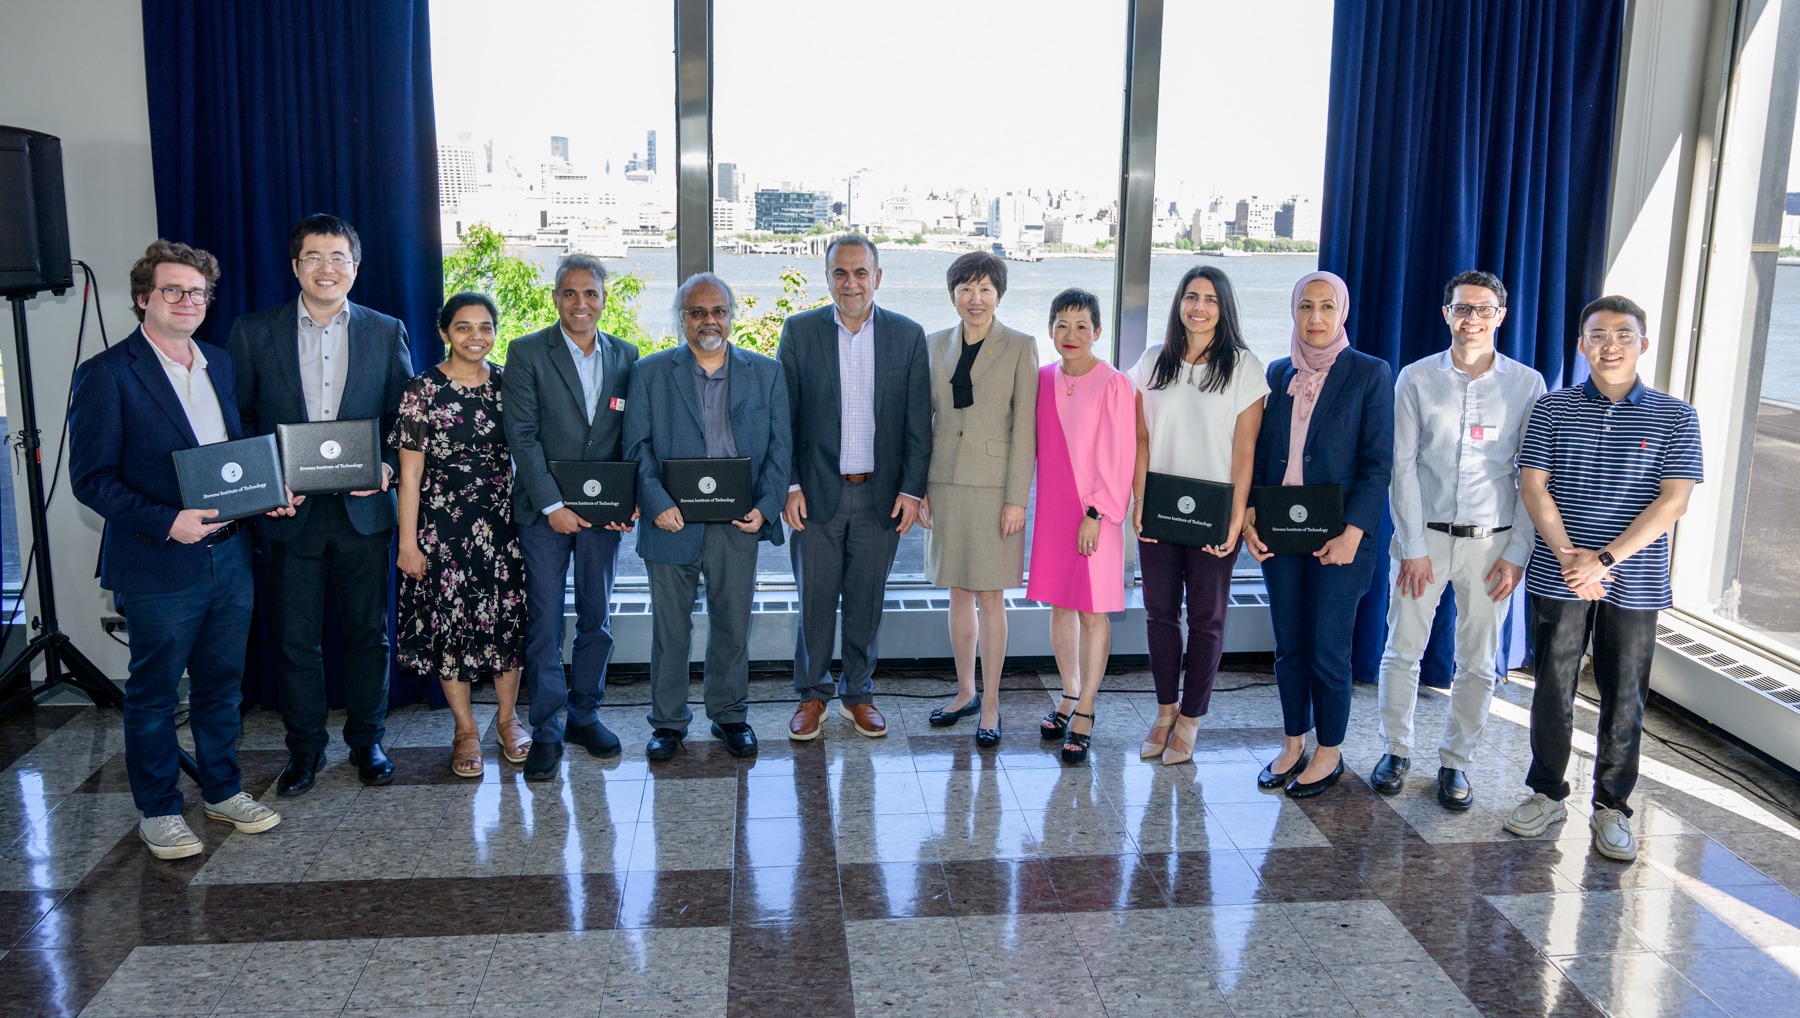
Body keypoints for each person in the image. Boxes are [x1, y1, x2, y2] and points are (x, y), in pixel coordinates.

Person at [69, 239, 290, 858]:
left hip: (230, 556)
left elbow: (232, 460)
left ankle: (222, 791)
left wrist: (264, 494)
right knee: (156, 693)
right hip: (159, 560)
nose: (187, 301)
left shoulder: (218, 362)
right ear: (144, 298)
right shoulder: (107, 375)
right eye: (173, 290)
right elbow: (90, 480)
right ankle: (160, 809)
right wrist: (169, 521)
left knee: (222, 684)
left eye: (197, 292)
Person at [1503, 295, 1701, 863]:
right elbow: (1533, 486)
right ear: (1581, 344)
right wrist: (1570, 557)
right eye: (1596, 334)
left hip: (1633, 581)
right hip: (1558, 573)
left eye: (1622, 334)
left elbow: (1673, 502)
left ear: (1643, 342)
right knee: (1551, 689)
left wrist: (1604, 561)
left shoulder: (1675, 414)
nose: (1609, 344)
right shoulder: (1552, 408)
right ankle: (1545, 793)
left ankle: (1612, 805)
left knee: (1624, 697)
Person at [230, 214, 413, 796]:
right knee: (294, 640)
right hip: (291, 514)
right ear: (295, 266)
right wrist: (264, 487)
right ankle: (304, 750)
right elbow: (243, 422)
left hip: (363, 513)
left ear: (355, 268)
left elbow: (403, 419)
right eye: (313, 257)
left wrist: (385, 465)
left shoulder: (386, 332)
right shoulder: (255, 333)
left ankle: (368, 740)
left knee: (369, 634)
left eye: (338, 257)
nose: (326, 268)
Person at [1372, 271, 1546, 810]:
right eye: (1462, 308)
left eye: (1483, 308)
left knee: (1477, 660)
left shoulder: (1527, 384)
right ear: (1445, 314)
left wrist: (1518, 552)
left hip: (1492, 545)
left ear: (1501, 316)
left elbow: (1533, 476)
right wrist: (1412, 545)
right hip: (1423, 538)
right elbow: (1401, 466)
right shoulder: (1416, 378)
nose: (1472, 318)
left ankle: (1457, 763)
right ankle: (1396, 751)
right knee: (1403, 651)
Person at [624, 273, 792, 761]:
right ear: (683, 319)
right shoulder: (650, 373)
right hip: (670, 523)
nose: (708, 320)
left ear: (731, 316)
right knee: (670, 630)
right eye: (697, 312)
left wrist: (766, 507)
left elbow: (781, 450)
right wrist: (657, 504)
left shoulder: (767, 373)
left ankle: (730, 715)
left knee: (733, 625)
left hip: (738, 524)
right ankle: (669, 723)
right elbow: (637, 447)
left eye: (717, 310)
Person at [1245, 270, 1393, 798]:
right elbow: (1263, 456)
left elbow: (1379, 465)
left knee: (1329, 648)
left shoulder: (1370, 373)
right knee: (1289, 646)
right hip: (1281, 531)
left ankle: (1328, 753)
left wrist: (1355, 531)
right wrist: (1249, 516)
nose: (1315, 318)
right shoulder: (1278, 370)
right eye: (1306, 307)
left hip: (1341, 537)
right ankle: (1293, 743)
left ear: (1342, 312)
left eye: (1327, 307)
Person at [779, 235, 931, 741]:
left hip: (880, 495)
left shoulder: (907, 337)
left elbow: (917, 423)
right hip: (816, 492)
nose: (851, 283)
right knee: (815, 600)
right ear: (827, 279)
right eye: (840, 274)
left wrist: (911, 491)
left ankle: (858, 693)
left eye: (860, 273)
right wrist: (791, 484)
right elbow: (787, 419)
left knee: (866, 601)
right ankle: (812, 696)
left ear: (878, 278)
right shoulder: (799, 333)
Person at [503, 253, 640, 780]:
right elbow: (523, 437)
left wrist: (629, 501)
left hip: (605, 516)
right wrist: (553, 505)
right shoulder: (527, 352)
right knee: (543, 622)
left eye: (591, 294)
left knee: (595, 618)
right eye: (570, 293)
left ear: (604, 299)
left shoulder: (627, 355)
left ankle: (585, 714)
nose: (580, 304)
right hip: (543, 515)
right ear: (555, 297)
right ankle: (547, 728)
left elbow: (632, 436)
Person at [1128, 266, 1267, 766]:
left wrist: (1235, 519)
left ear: (1223, 307)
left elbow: (1244, 451)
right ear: (1179, 304)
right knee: (1159, 614)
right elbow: (1140, 439)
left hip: (1212, 513)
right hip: (1158, 510)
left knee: (1207, 619)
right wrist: (1138, 504)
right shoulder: (1151, 363)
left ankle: (1191, 719)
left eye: (1209, 298)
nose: (1199, 307)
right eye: (1191, 296)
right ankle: (1165, 711)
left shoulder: (1245, 368)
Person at [391, 292, 529, 778]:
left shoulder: (509, 386)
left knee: (506, 625)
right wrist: (408, 543)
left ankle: (509, 721)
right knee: (452, 629)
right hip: (441, 531)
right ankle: (465, 730)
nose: (477, 337)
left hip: (501, 528)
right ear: (445, 332)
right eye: (465, 327)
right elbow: (408, 476)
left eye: (486, 327)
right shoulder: (421, 390)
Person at [919, 252, 1038, 745]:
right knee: (957, 593)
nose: (976, 298)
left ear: (999, 295)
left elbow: (1025, 430)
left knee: (991, 597)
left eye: (986, 288)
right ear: (952, 295)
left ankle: (991, 702)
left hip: (995, 490)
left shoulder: (1020, 346)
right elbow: (922, 424)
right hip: (944, 483)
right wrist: (919, 487)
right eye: (966, 288)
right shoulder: (932, 346)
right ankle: (965, 691)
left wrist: (1017, 500)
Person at [1026, 289, 1133, 764]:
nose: (1071, 335)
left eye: (1081, 326)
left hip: (1096, 513)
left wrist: (1096, 513)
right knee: (1060, 605)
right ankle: (1068, 693)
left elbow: (1120, 455)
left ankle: (1086, 708)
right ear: (1050, 330)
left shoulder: (1113, 383)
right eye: (1062, 325)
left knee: (1092, 611)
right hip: (1052, 509)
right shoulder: (1042, 378)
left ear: (1098, 332)